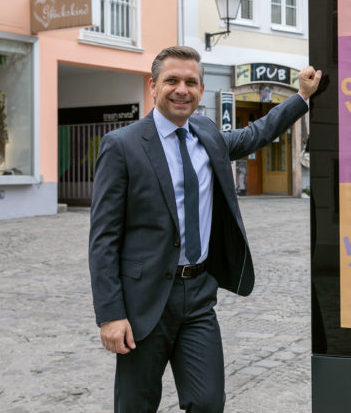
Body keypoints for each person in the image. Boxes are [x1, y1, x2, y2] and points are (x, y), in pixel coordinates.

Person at [89, 45, 322, 412]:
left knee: (209, 401)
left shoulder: (206, 133)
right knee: (137, 404)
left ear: (200, 88)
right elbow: (103, 238)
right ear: (153, 85)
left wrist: (302, 97)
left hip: (198, 295)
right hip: (144, 302)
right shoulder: (122, 146)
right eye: (172, 80)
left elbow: (256, 134)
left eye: (191, 82)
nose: (182, 89)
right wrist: (110, 314)